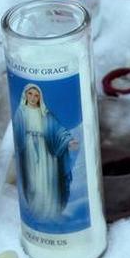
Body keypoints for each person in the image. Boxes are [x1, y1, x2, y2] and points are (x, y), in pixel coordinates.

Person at [13, 83, 78, 220]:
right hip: (29, 151)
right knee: (33, 179)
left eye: (36, 95)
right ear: (25, 94)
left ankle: (50, 211)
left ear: (40, 98)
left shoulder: (45, 114)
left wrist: (67, 141)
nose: (32, 97)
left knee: (48, 179)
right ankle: (36, 209)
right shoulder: (20, 113)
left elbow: (59, 130)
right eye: (30, 94)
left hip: (46, 151)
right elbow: (17, 133)